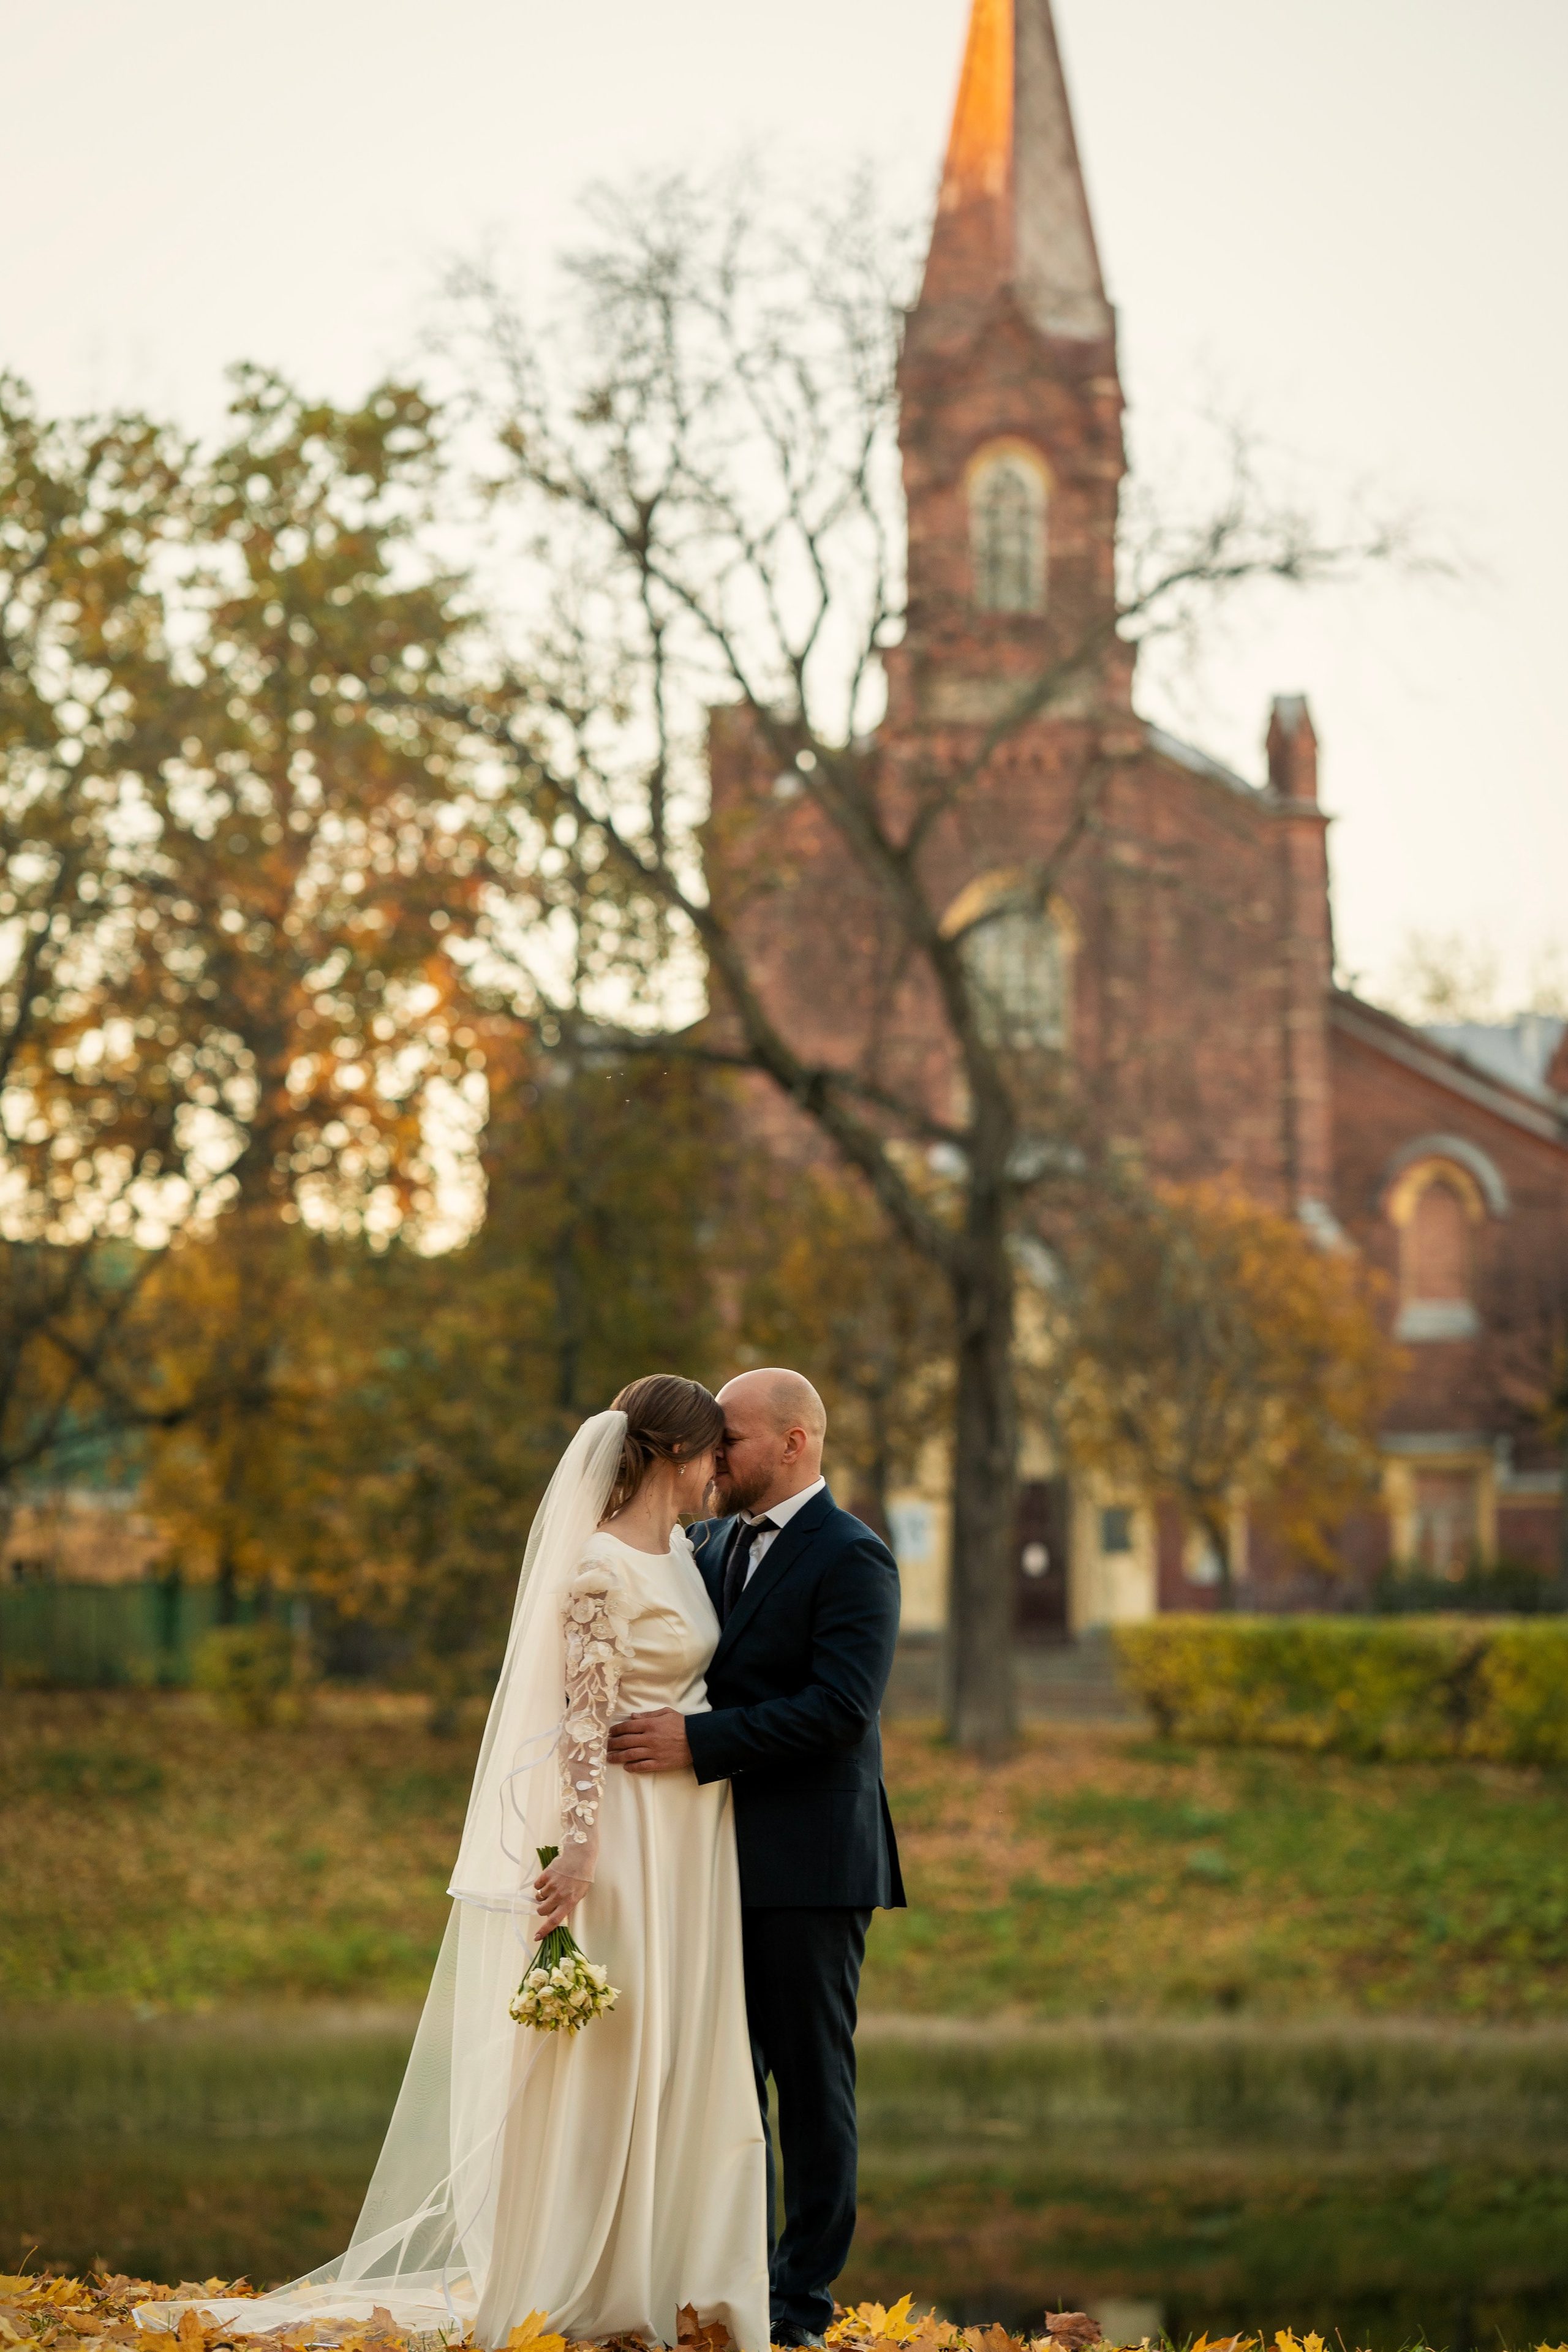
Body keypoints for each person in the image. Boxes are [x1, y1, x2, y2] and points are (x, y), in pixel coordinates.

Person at [137, 1376, 769, 2352]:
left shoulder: (687, 1552)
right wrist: (583, 1852)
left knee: (683, 2038)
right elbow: (578, 1720)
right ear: (677, 1457)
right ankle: (588, 2273)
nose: (720, 1471)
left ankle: (670, 2266)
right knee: (618, 2042)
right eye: (711, 1455)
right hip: (632, 1836)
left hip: (696, 1828)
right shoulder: (598, 1565)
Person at [609, 1367, 904, 2348]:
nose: (712, 1455)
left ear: (794, 1443)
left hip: (815, 1864)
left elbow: (840, 1711)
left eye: (729, 1438)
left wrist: (699, 1745)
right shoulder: (709, 1543)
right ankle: (724, 2285)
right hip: (710, 1862)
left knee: (813, 2088)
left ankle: (803, 2305)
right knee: (725, 2085)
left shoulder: (854, 1557)